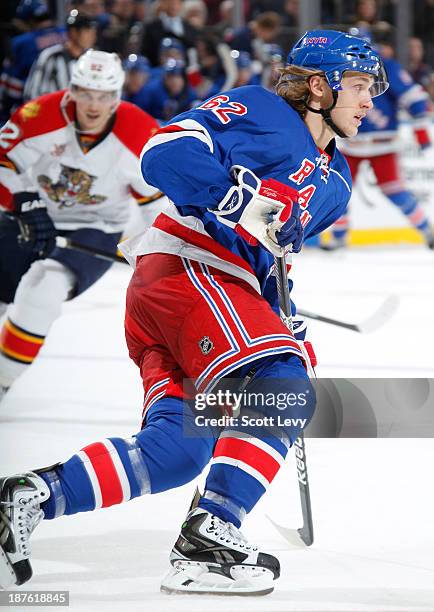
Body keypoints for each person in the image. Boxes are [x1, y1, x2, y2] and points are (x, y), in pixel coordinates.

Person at [0, 30, 388, 596]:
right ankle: (212, 536)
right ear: (317, 86)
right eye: (356, 86)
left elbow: (274, 257)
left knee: (177, 451)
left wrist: (287, 317)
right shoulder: (260, 108)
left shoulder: (335, 184)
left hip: (198, 294)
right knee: (286, 386)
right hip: (188, 270)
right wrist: (235, 198)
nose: (368, 101)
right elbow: (164, 153)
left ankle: (31, 496)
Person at [0, 49, 164, 399]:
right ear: (72, 90)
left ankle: (1, 381)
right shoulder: (39, 114)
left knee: (44, 288)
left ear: (116, 97)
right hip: (32, 215)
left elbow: (159, 206)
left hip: (97, 228)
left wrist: (161, 258)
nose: (93, 105)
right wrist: (23, 201)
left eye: (104, 96)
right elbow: (2, 162)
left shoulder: (140, 132)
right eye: (87, 94)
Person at [326, 29, 434, 250]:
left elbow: (412, 96)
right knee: (339, 189)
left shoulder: (386, 66)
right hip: (351, 140)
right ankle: (338, 237)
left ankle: (426, 230)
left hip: (382, 142)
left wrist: (421, 128)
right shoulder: (341, 69)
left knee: (394, 189)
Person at [23, 10, 98, 101]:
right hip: (52, 112)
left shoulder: (93, 59)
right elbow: (32, 93)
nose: (93, 36)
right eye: (88, 31)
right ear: (73, 32)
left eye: (93, 32)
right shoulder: (50, 56)